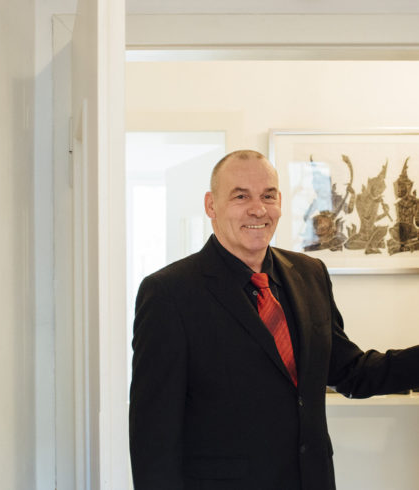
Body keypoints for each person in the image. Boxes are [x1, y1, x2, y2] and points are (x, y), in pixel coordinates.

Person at [129, 149, 419, 490]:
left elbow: (350, 372)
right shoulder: (168, 293)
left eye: (268, 196)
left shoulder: (310, 274)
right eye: (241, 196)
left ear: (280, 201)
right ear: (211, 205)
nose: (258, 209)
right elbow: (154, 437)